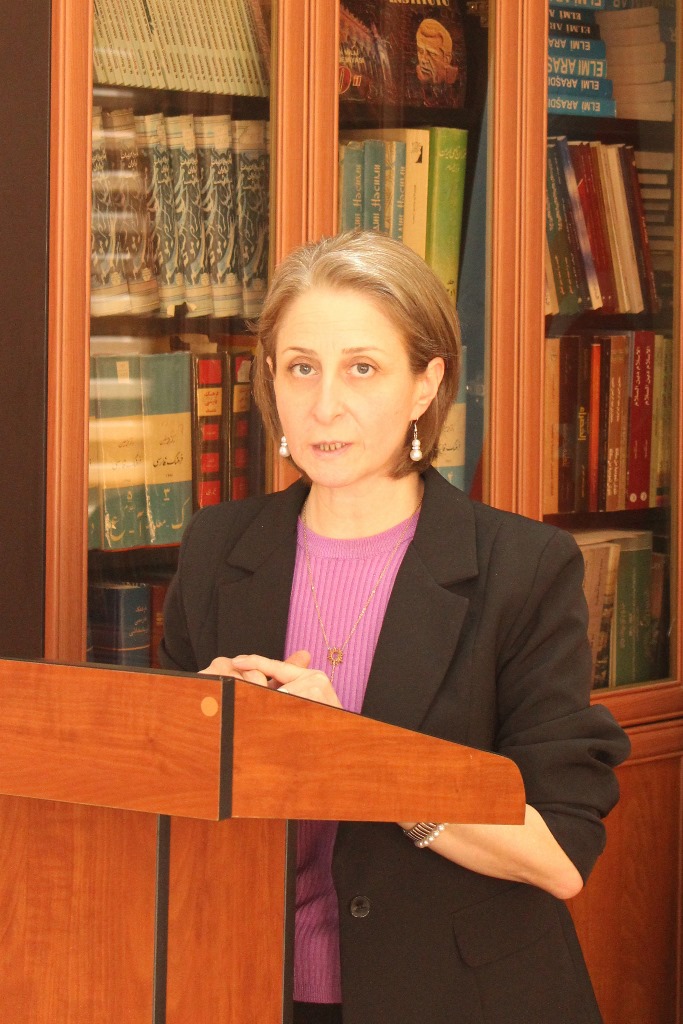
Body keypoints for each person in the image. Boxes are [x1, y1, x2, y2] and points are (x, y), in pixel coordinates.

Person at [159, 230, 631, 1024]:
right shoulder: (216, 546)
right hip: (242, 980)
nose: (324, 404)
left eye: (362, 369)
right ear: (270, 379)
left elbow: (557, 855)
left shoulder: (523, 567)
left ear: (424, 385)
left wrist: (352, 753)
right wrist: (191, 727)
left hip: (455, 995)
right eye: (300, 367)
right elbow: (157, 800)